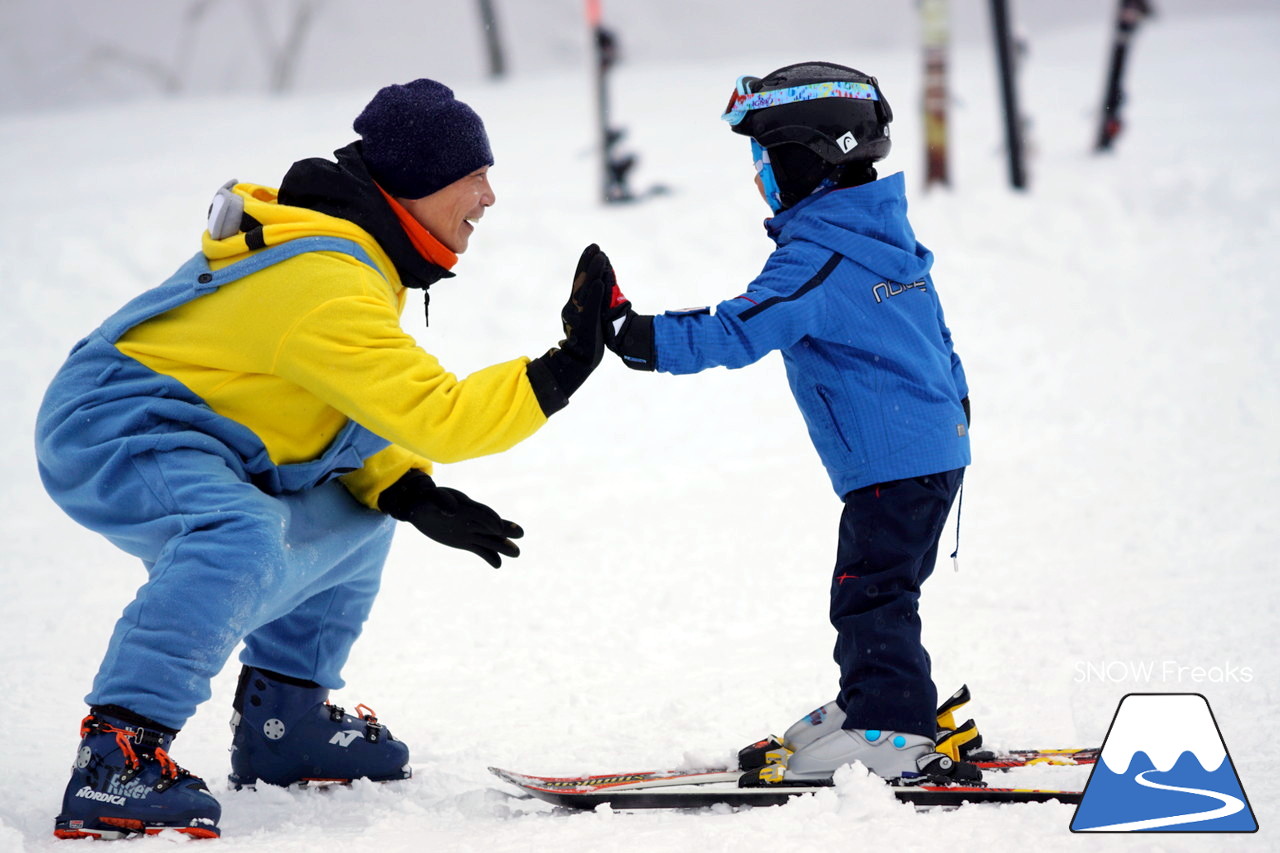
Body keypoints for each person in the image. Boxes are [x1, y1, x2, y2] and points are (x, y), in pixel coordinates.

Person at [35, 78, 614, 840]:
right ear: (415, 184)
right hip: (115, 423)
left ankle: (285, 720)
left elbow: (332, 402)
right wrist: (567, 363)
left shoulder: (351, 256)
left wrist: (403, 488)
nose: (489, 196)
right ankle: (118, 754)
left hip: (204, 428)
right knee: (236, 533)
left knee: (360, 513)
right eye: (473, 176)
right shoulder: (327, 281)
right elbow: (441, 414)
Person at [603, 63, 974, 785]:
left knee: (871, 590)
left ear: (811, 158)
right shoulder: (879, 235)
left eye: (766, 161)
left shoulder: (818, 256)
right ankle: (877, 699)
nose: (759, 179)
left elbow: (741, 328)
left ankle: (893, 727)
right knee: (880, 584)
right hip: (928, 447)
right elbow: (937, 335)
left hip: (896, 460)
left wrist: (637, 336)